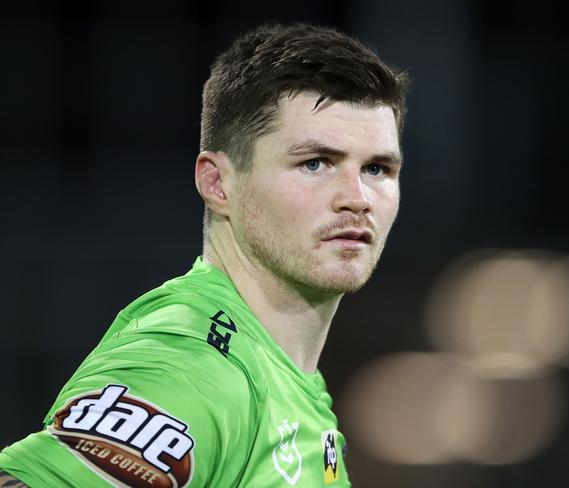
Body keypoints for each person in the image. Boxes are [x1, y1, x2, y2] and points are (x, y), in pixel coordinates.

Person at [0, 22, 408, 487]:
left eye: (377, 168)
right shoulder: (194, 364)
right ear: (218, 183)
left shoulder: (286, 381)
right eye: (314, 163)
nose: (357, 198)